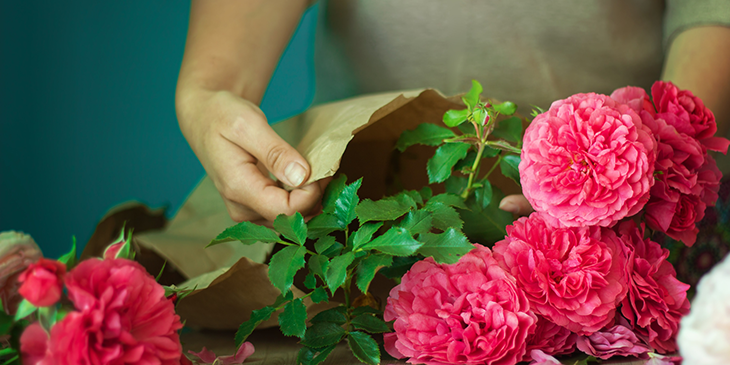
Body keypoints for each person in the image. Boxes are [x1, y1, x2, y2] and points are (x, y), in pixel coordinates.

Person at [175, 0, 730, 224]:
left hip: (633, 219)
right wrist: (207, 94)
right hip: (363, 207)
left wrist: (644, 169)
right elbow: (219, 81)